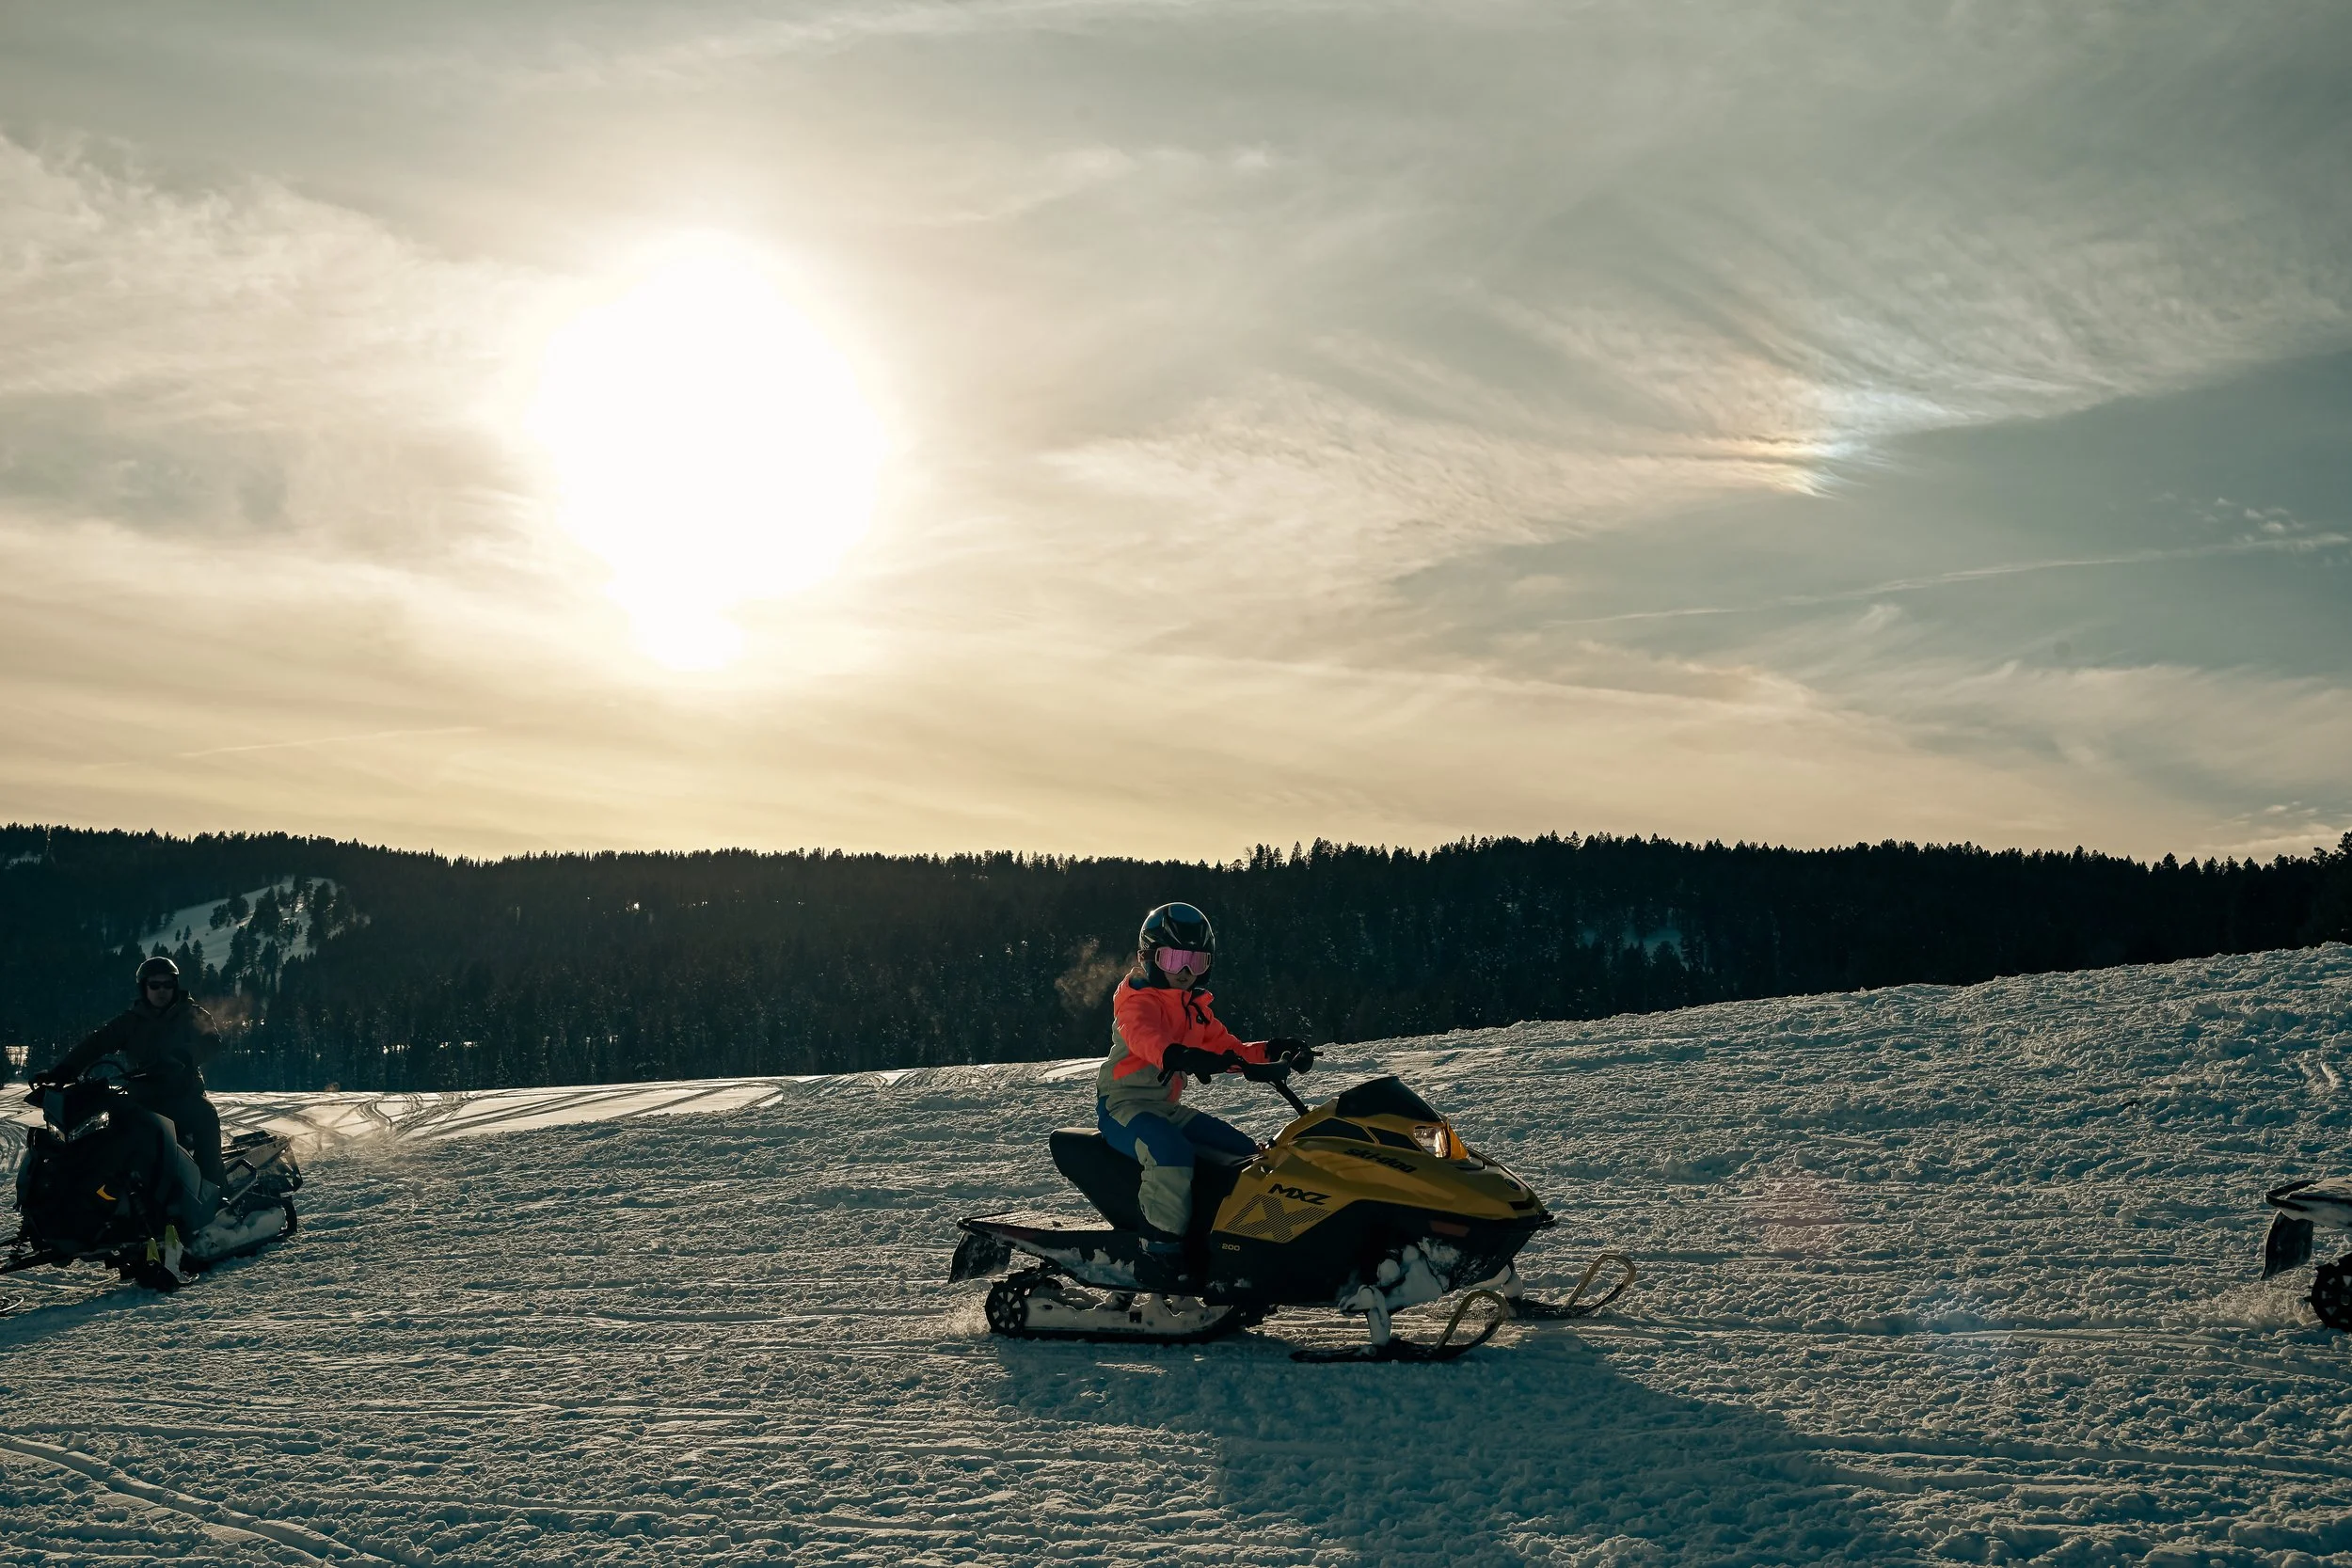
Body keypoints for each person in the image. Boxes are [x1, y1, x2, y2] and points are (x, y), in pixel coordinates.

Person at [1094, 902, 1314, 1286]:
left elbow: (1230, 1049)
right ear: (1149, 957)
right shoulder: (1137, 1001)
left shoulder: (1194, 1009)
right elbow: (1145, 1038)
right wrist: (1180, 1055)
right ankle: (1159, 1254)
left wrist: (1273, 1051)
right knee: (1171, 1153)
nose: (1184, 972)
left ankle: (1235, 1244)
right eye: (1174, 958)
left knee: (1247, 1157)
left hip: (1165, 1108)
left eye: (1195, 962)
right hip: (1124, 1107)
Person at [35, 957, 228, 1190]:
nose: (162, 991)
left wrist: (183, 1056)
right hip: (141, 1099)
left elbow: (211, 1040)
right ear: (144, 987)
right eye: (155, 985)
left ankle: (215, 1193)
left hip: (183, 1094)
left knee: (206, 1118)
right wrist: (63, 1071)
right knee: (103, 1136)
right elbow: (96, 1043)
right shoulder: (131, 1021)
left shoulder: (192, 1014)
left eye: (168, 985)